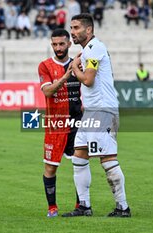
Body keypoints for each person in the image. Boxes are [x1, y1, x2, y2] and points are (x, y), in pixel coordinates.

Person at [62, 13, 131, 217]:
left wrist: (74, 67)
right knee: (79, 156)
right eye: (71, 28)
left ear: (88, 29)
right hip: (91, 112)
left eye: (76, 28)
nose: (72, 32)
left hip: (103, 111)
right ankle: (84, 206)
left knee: (107, 159)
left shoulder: (94, 48)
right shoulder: (88, 51)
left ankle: (123, 207)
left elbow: (89, 80)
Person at [38, 28, 82, 217]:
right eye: (55, 44)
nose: (58, 48)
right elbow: (47, 92)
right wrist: (65, 76)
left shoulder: (78, 64)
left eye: (61, 44)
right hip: (55, 123)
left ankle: (82, 206)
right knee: (50, 167)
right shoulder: (45, 66)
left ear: (69, 44)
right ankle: (52, 207)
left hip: (77, 124)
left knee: (80, 165)